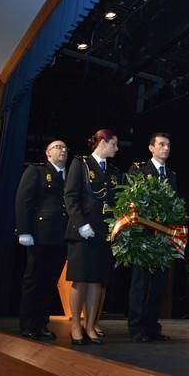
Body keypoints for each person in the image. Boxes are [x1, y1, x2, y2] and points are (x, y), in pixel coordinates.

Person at [64, 129, 121, 345]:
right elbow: (70, 196)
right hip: (83, 231)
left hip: (104, 233)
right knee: (81, 279)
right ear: (103, 143)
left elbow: (118, 201)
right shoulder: (81, 164)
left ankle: (90, 325)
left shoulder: (114, 171)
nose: (116, 149)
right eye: (114, 144)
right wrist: (81, 224)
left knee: (97, 280)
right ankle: (76, 326)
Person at [14, 140, 69, 340]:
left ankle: (41, 323)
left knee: (49, 281)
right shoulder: (36, 171)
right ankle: (28, 324)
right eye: (57, 147)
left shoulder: (69, 175)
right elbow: (23, 200)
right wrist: (24, 230)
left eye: (64, 148)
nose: (62, 150)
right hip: (39, 234)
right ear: (47, 153)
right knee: (34, 280)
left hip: (60, 237)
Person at [127, 132, 177, 342]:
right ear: (151, 148)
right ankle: (137, 327)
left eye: (168, 145)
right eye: (162, 144)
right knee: (141, 283)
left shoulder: (172, 176)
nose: (165, 148)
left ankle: (152, 326)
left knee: (158, 284)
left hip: (163, 238)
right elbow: (132, 200)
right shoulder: (139, 170)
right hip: (143, 235)